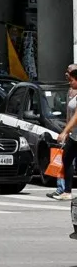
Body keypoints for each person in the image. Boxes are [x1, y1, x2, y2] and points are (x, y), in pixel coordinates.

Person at [48, 64, 77, 199]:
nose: (69, 82)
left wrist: (65, 131)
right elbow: (70, 115)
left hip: (74, 134)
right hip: (75, 134)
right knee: (66, 158)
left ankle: (66, 190)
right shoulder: (71, 92)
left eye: (71, 80)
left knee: (67, 158)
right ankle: (67, 191)